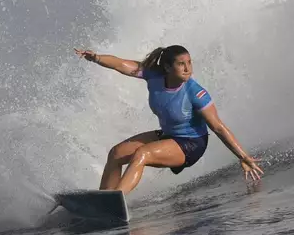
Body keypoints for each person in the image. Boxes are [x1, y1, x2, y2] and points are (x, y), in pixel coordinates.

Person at [74, 44, 263, 195]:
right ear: (167, 67)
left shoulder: (195, 93)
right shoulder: (153, 76)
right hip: (168, 135)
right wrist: (96, 58)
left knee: (142, 154)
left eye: (190, 62)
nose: (188, 68)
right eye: (181, 63)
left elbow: (219, 128)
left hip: (192, 143)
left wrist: (243, 157)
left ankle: (116, 200)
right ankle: (104, 199)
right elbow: (121, 64)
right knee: (116, 153)